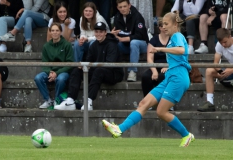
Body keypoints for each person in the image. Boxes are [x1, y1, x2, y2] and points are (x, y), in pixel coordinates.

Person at [102, 11, 195, 147]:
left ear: (175, 25)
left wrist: (160, 49)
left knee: (161, 112)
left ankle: (187, 135)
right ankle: (119, 129)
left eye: (166, 24)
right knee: (143, 103)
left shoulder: (177, 35)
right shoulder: (173, 37)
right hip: (172, 76)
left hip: (178, 78)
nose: (164, 27)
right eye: (162, 25)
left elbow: (181, 50)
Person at [54, 22, 124, 111]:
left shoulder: (112, 44)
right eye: (96, 31)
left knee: (99, 71)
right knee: (77, 70)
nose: (98, 34)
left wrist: (91, 67)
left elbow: (109, 64)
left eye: (101, 32)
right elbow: (88, 61)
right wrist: (83, 66)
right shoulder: (94, 45)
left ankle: (89, 102)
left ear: (105, 32)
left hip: (114, 73)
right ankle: (70, 101)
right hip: (99, 71)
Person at [34, 22, 73, 109]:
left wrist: (57, 73)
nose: (55, 32)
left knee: (61, 79)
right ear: (50, 32)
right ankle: (47, 100)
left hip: (63, 71)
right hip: (50, 72)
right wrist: (51, 73)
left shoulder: (67, 45)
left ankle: (57, 100)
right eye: (53, 30)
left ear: (60, 32)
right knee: (38, 78)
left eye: (57, 30)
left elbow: (70, 63)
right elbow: (45, 63)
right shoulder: (46, 46)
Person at [197, 28, 233, 112]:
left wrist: (231, 70)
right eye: (221, 43)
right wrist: (221, 71)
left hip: (231, 70)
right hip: (229, 73)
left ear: (230, 36)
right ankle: (210, 102)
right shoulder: (219, 45)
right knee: (209, 71)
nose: (223, 45)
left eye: (225, 42)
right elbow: (215, 63)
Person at [112, 0, 148, 82]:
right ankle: (113, 70)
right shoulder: (117, 18)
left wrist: (122, 39)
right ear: (117, 8)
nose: (123, 9)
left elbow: (140, 35)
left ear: (129, 6)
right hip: (126, 46)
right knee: (113, 43)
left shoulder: (137, 16)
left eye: (125, 6)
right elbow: (118, 35)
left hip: (142, 45)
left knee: (134, 42)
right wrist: (113, 35)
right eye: (120, 7)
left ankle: (132, 71)